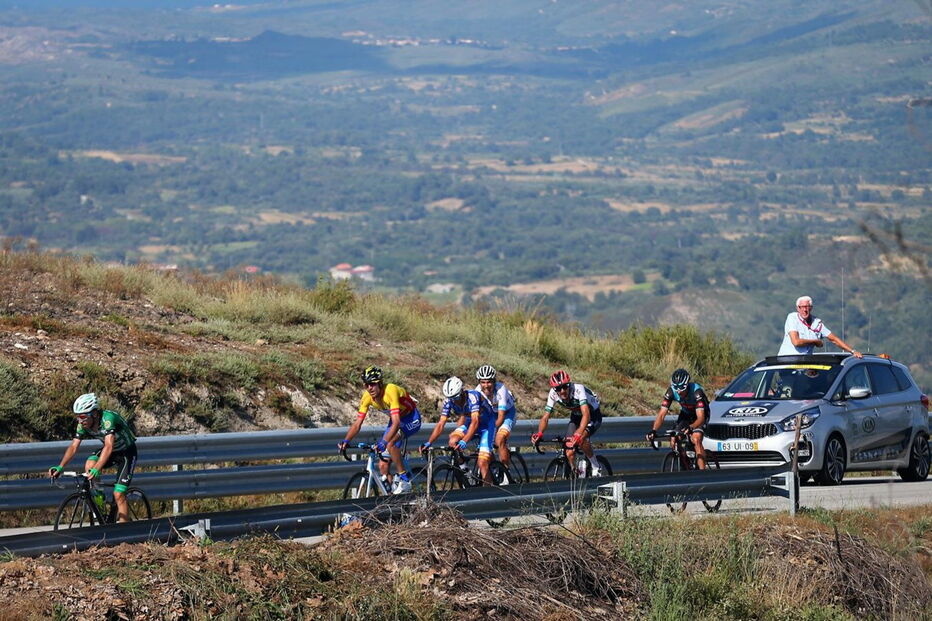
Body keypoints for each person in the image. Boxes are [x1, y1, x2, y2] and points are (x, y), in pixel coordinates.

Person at [48, 393, 138, 523]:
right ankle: (100, 502)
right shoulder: (83, 424)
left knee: (118, 494)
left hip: (126, 453)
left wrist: (97, 468)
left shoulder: (108, 419)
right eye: (77, 417)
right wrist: (60, 466)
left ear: (94, 414)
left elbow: (108, 446)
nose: (80, 421)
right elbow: (73, 447)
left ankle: (125, 531)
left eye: (83, 417)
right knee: (90, 463)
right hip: (111, 452)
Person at [338, 366, 422, 494]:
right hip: (396, 420)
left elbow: (396, 423)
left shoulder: (390, 391)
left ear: (380, 383)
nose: (369, 388)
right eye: (366, 385)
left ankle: (405, 480)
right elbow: (357, 424)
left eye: (372, 384)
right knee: (383, 466)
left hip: (411, 418)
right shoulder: (367, 397)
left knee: (390, 444)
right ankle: (392, 498)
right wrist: (346, 441)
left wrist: (384, 442)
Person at [421, 376, 497, 484]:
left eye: (456, 398)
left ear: (461, 391)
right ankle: (465, 470)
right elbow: (441, 424)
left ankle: (490, 490)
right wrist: (429, 442)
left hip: (487, 426)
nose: (454, 401)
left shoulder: (473, 397)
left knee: (482, 463)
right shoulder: (449, 401)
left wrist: (464, 441)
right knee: (452, 441)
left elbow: (475, 422)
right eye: (451, 398)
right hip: (470, 424)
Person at [532, 370, 603, 477]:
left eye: (565, 387)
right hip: (576, 416)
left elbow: (586, 414)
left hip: (592, 415)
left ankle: (596, 466)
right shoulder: (553, 394)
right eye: (558, 389)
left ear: (569, 385)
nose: (562, 391)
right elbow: (545, 417)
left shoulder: (578, 389)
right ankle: (575, 473)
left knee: (581, 438)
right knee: (569, 451)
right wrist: (540, 433)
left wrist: (578, 433)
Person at [646, 369, 709, 469]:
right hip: (685, 414)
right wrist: (654, 430)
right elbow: (661, 414)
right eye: (676, 388)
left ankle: (703, 474)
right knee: (674, 439)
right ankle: (686, 465)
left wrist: (691, 427)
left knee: (696, 439)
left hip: (700, 415)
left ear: (687, 385)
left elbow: (701, 418)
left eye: (682, 388)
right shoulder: (671, 391)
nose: (679, 391)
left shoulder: (697, 392)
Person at [778, 295, 862, 358]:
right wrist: (815, 342)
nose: (804, 310)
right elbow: (796, 342)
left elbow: (834, 339)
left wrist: (852, 351)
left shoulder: (817, 323)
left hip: (804, 364)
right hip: (787, 362)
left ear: (811, 308)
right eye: (802, 307)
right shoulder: (792, 318)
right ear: (797, 308)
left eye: (807, 307)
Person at [474, 364, 519, 473]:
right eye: (483, 382)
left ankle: (506, 473)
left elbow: (501, 416)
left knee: (499, 439)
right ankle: (495, 470)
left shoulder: (501, 389)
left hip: (507, 414)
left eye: (489, 382)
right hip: (492, 414)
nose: (486, 385)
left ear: (494, 381)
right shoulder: (477, 392)